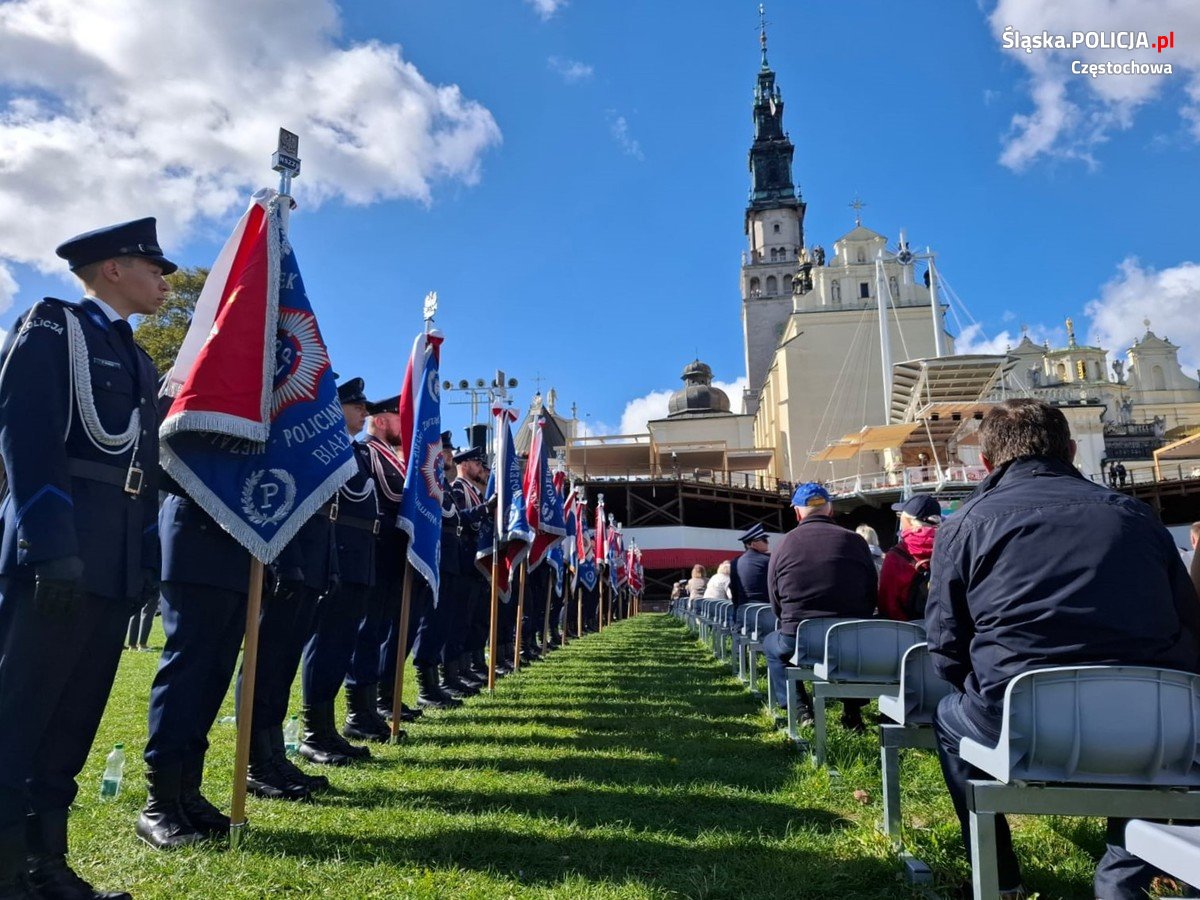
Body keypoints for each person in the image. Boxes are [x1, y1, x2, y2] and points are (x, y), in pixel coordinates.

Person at [925, 399, 1200, 900]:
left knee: (947, 716)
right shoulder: (1139, 517)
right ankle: (1126, 866)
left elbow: (946, 647)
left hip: (1025, 723)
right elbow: (1188, 625)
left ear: (986, 463)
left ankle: (1001, 878)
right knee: (1133, 726)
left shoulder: (964, 524)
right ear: (1072, 451)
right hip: (1155, 725)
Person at [0, 219, 168, 898]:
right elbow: (28, 435)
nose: (164, 283)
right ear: (112, 269)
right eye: (153, 269)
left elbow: (143, 471)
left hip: (114, 558)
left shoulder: (138, 358)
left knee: (72, 722)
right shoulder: (53, 326)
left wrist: (144, 566)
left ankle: (48, 865)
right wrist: (50, 545)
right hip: (61, 550)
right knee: (20, 714)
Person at [298, 378, 379, 766]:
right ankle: (314, 730)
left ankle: (326, 729)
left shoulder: (359, 453)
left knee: (340, 644)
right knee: (325, 642)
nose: (364, 412)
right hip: (334, 550)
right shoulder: (326, 445)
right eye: (357, 405)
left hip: (358, 554)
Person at [761, 483, 876, 730]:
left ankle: (800, 709)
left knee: (772, 645)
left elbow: (775, 598)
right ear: (830, 509)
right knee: (849, 648)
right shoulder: (856, 541)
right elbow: (870, 590)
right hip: (850, 636)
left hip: (801, 637)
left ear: (797, 513)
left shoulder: (783, 545)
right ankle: (852, 711)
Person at [877, 495, 940, 622]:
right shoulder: (954, 545)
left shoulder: (896, 557)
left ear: (909, 521)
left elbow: (888, 605)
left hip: (909, 632)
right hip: (947, 630)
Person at [729, 523, 770, 616]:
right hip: (766, 612)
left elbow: (734, 590)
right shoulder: (767, 560)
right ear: (752, 544)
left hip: (743, 612)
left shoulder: (735, 562)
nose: (767, 542)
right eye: (764, 540)